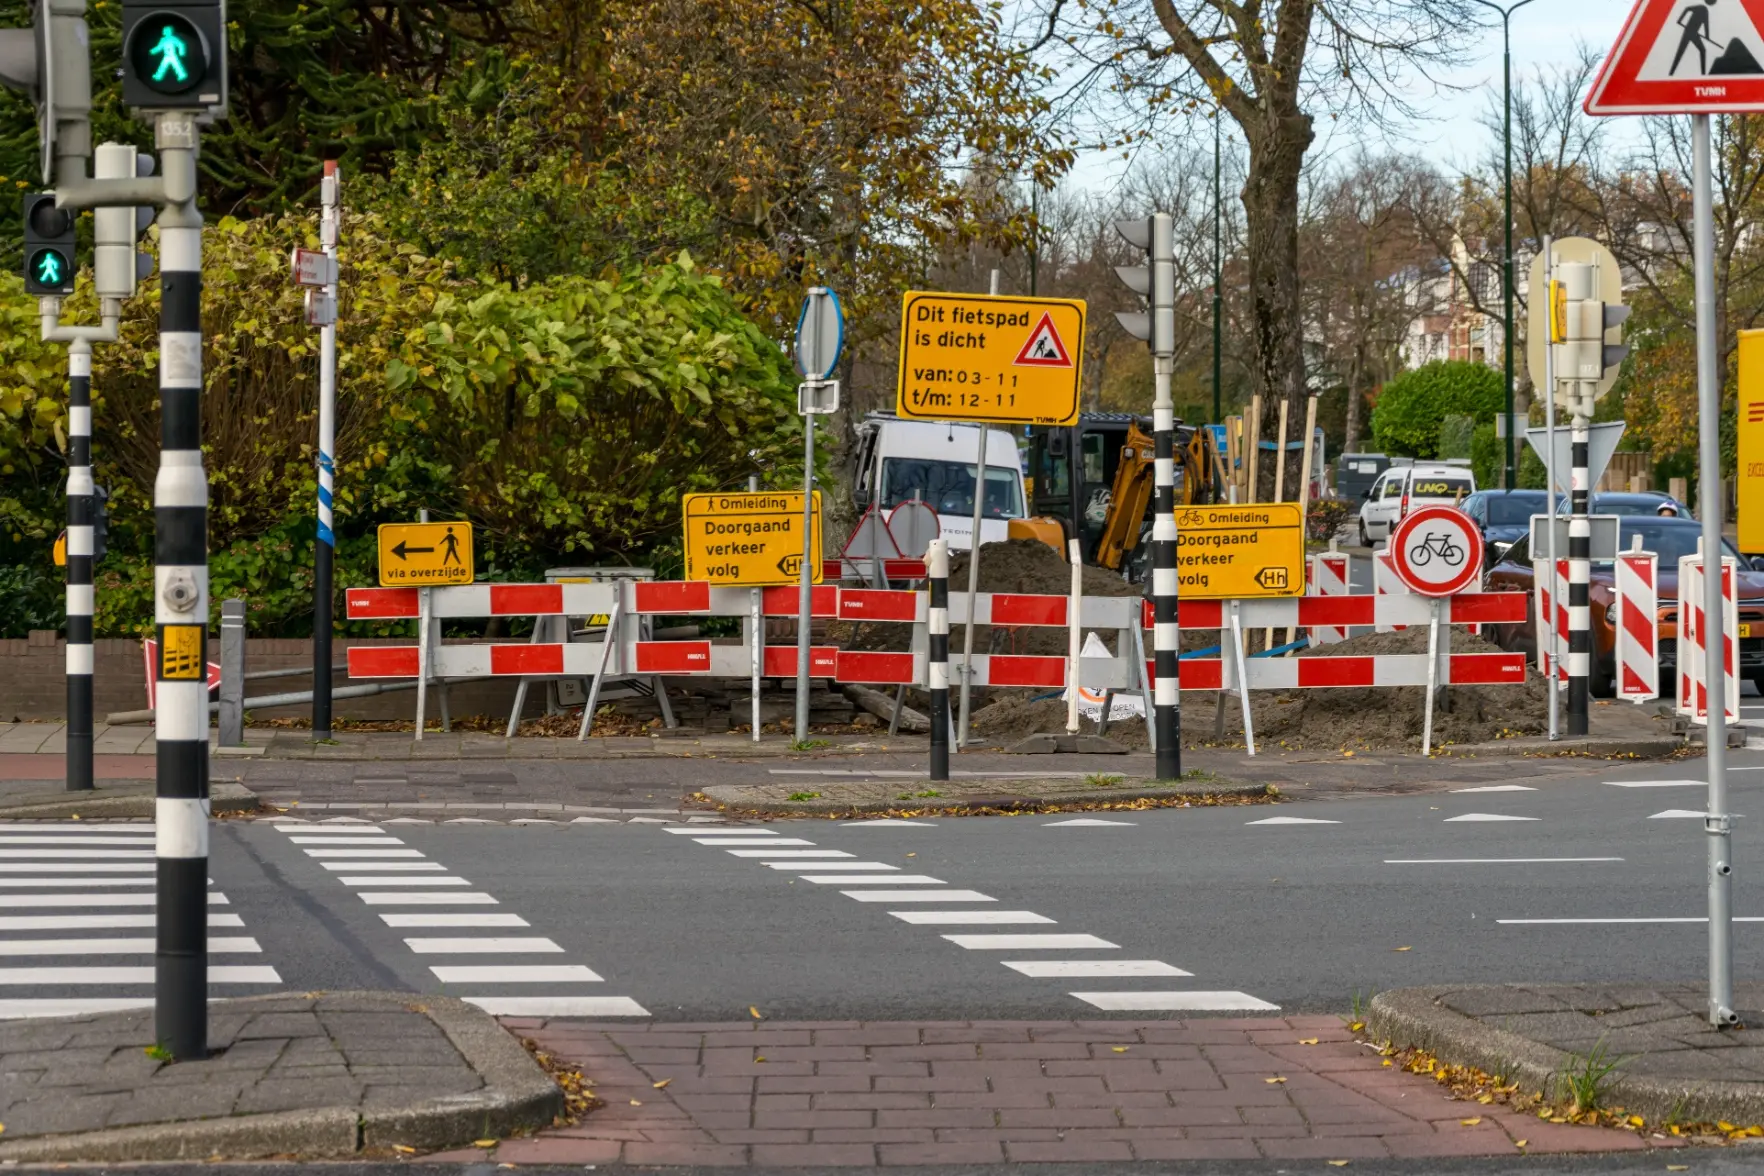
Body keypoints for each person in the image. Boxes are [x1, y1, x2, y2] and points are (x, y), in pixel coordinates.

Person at [1672, 0, 1715, 76]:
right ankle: (1671, 73)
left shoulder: (1704, 9)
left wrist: (1707, 36)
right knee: (1680, 52)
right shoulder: (1702, 8)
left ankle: (1703, 74)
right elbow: (1687, 8)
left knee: (1702, 50)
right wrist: (1680, 20)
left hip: (1693, 33)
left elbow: (1706, 24)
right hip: (1689, 32)